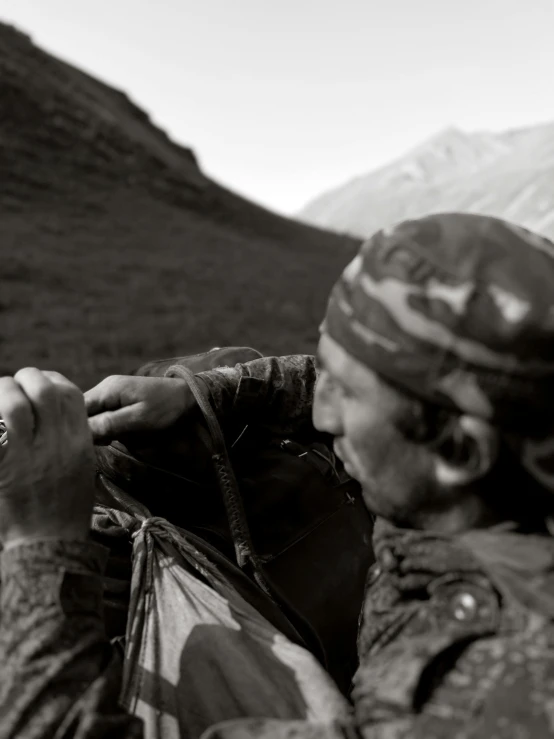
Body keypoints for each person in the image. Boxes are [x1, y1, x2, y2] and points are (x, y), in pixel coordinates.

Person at [3, 212, 554, 738]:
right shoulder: (503, 464)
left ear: (460, 451)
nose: (321, 412)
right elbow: (325, 381)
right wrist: (201, 395)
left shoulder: (487, 691)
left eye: (351, 394)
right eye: (330, 373)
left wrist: (42, 546)